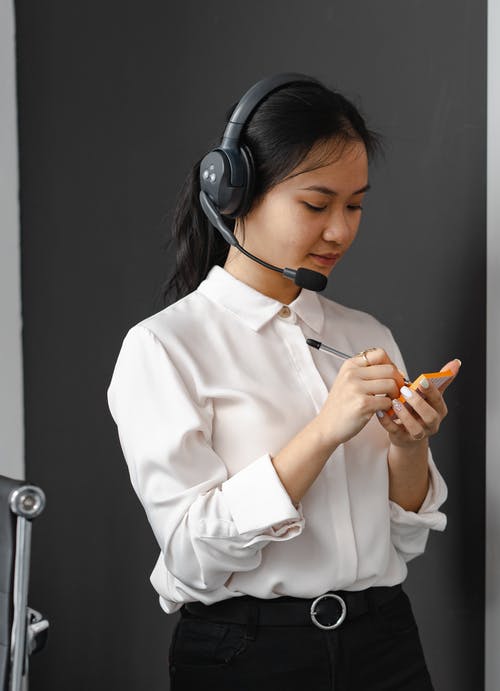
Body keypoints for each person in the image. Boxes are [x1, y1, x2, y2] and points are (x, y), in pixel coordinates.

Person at [107, 73, 460, 691]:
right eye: (316, 204)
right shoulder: (164, 347)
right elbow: (191, 555)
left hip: (385, 645)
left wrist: (409, 445)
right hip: (247, 656)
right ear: (235, 192)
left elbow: (404, 537)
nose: (341, 231)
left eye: (355, 206)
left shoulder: (364, 334)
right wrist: (324, 431)